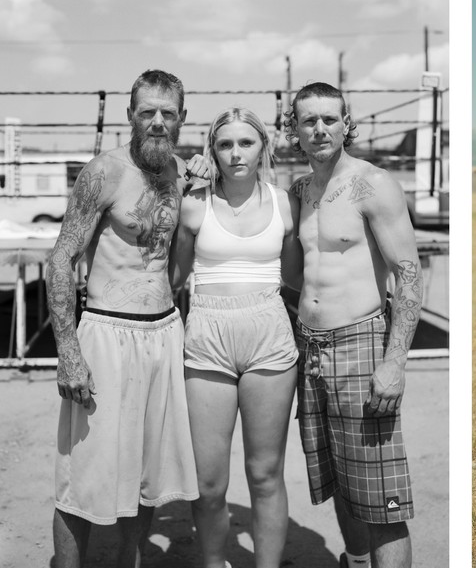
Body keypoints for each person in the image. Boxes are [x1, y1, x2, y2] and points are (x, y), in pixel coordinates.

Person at [46, 69, 199, 568]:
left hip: (163, 333)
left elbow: (176, 267)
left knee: (146, 474)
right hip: (106, 334)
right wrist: (69, 354)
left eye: (167, 113)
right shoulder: (104, 173)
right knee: (84, 476)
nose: (157, 121)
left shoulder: (180, 175)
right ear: (129, 114)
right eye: (147, 111)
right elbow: (61, 260)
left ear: (181, 118)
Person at [284, 82, 422, 568]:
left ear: (347, 124)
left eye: (329, 119)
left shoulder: (374, 184)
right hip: (310, 348)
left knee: (381, 495)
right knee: (340, 479)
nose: (319, 128)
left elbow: (407, 274)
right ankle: (356, 562)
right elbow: (294, 274)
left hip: (360, 341)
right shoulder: (300, 191)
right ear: (293, 128)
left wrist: (394, 363)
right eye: (308, 120)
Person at [170, 106, 302, 568]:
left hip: (269, 333)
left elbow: (298, 276)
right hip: (207, 334)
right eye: (224, 144)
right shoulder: (194, 203)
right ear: (212, 151)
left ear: (263, 146)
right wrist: (181, 187)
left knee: (265, 474)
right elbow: (174, 276)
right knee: (208, 482)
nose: (235, 152)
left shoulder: (286, 203)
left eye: (246, 142)